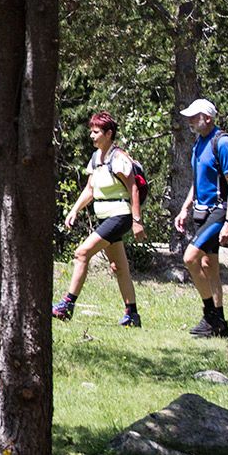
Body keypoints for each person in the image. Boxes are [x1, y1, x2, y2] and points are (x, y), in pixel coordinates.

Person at [52, 111, 144, 327]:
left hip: (120, 215)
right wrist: (75, 209)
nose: (92, 136)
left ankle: (67, 304)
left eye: (96, 132)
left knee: (82, 253)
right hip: (106, 217)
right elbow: (90, 189)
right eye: (91, 132)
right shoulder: (96, 158)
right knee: (118, 267)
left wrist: (137, 221)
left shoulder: (118, 158)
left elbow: (133, 188)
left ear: (108, 133)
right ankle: (132, 314)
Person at [174, 97, 228, 339]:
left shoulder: (222, 144)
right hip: (201, 211)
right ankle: (221, 327)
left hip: (218, 211)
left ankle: (210, 316)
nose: (190, 120)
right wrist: (185, 208)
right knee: (208, 267)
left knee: (190, 258)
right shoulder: (199, 143)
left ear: (208, 118)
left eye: (194, 116)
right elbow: (198, 181)